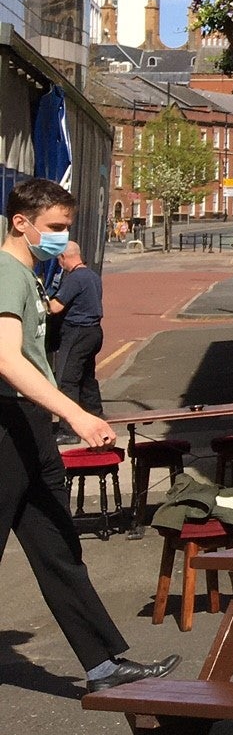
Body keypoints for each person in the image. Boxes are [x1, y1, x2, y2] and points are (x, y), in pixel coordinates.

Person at [0, 179, 178, 694]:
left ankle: (102, 664)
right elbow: (8, 359)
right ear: (21, 223)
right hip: (7, 425)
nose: (60, 237)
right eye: (54, 228)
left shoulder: (28, 276)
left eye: (65, 228)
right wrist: (76, 415)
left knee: (57, 544)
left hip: (28, 425)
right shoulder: (7, 274)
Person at [46, 242, 104, 414]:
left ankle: (68, 429)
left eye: (58, 259)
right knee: (87, 378)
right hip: (94, 332)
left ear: (64, 257)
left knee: (66, 380)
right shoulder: (92, 276)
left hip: (77, 332)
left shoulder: (75, 278)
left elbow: (55, 307)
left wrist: (42, 302)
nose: (59, 264)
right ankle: (95, 416)